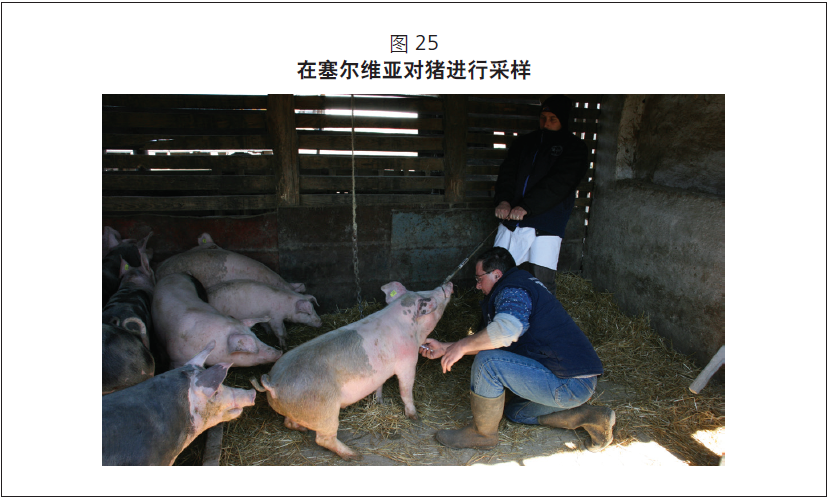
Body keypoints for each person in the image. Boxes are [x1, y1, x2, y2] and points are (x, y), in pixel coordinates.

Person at [420, 247, 615, 452]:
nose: (477, 285)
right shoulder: (520, 284)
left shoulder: (513, 289)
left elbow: (506, 331)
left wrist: (461, 346)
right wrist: (445, 348)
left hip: (568, 383)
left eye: (479, 279)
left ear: (497, 275)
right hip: (576, 381)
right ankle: (593, 418)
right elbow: (494, 340)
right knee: (516, 412)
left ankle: (482, 434)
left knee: (488, 363)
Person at [492, 94, 589, 295]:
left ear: (564, 120)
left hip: (547, 223)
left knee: (540, 281)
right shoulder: (524, 143)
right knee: (497, 275)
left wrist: (527, 206)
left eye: (553, 119)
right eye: (543, 118)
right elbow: (507, 173)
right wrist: (504, 200)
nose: (546, 123)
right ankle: (498, 313)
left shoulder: (575, 148)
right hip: (512, 221)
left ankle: (541, 315)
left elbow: (560, 183)